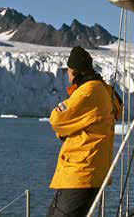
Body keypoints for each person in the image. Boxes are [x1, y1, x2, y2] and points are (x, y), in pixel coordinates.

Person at [47, 46, 123, 217]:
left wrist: (65, 130)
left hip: (81, 172)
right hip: (88, 171)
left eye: (68, 70)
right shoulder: (103, 88)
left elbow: (57, 119)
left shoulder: (87, 91)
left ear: (72, 70)